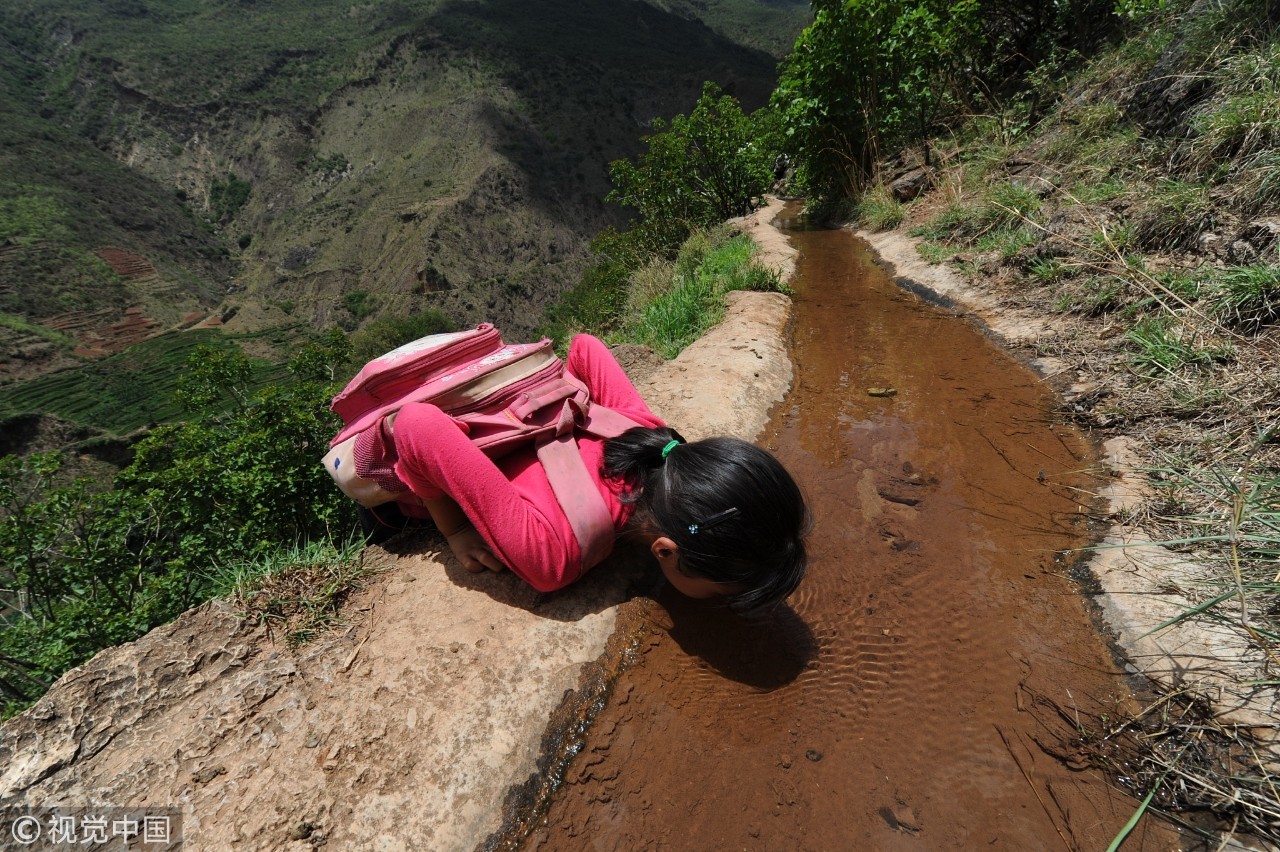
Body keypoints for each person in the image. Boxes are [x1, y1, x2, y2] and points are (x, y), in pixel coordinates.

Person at [352, 333, 809, 611]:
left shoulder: (651, 437)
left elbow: (584, 349)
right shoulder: (552, 557)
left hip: (484, 405)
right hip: (399, 497)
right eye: (717, 593)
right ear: (665, 551)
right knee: (384, 519)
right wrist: (452, 530)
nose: (718, 603)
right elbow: (414, 423)